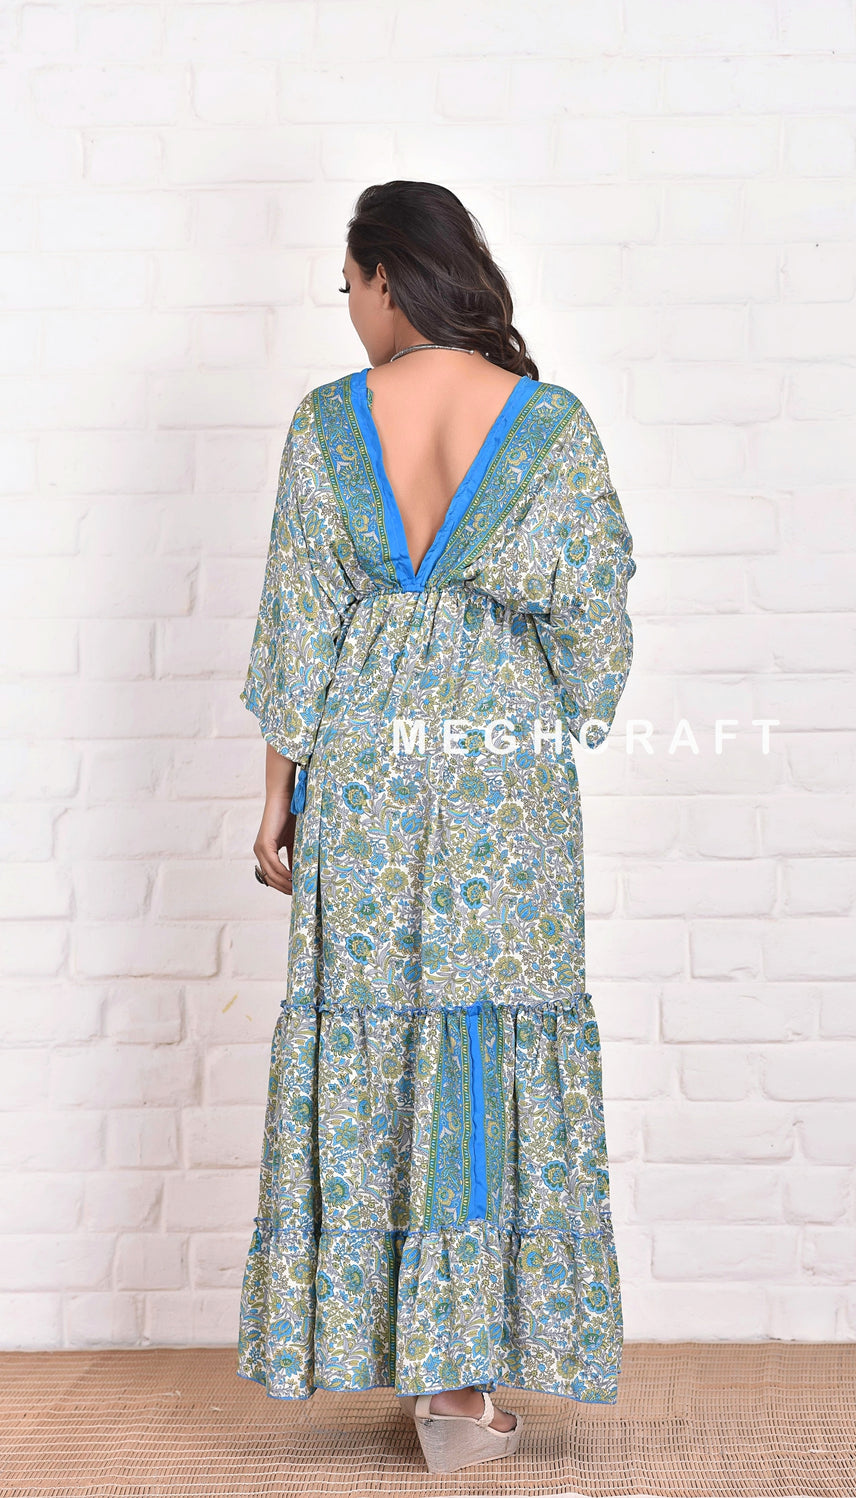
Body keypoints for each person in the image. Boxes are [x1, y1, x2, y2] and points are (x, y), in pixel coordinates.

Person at [235, 180, 636, 1475]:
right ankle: (462, 1393)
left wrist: (278, 795)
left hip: (366, 768)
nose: (349, 310)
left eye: (348, 286)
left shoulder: (327, 425)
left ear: (387, 278)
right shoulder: (550, 425)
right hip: (503, 772)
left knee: (380, 1032)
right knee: (484, 1031)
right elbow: (598, 630)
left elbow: (297, 633)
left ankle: (416, 1364)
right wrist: (534, 686)